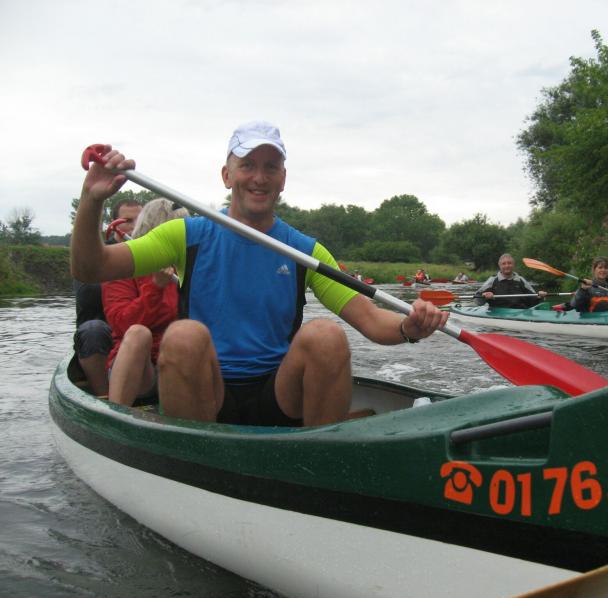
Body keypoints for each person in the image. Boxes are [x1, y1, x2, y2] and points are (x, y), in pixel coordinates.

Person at [71, 120, 448, 427]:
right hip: (208, 391)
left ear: (283, 178)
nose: (259, 177)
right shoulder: (184, 235)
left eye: (271, 167)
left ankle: (320, 457)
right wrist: (92, 199)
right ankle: (194, 456)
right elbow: (90, 267)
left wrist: (409, 327)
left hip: (278, 392)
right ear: (227, 175)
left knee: (326, 335)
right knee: (184, 335)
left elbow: (371, 320)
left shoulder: (303, 250)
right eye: (248, 165)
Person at [103, 199, 188, 406]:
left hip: (180, 365)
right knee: (138, 333)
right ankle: (116, 415)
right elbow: (122, 324)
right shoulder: (124, 268)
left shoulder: (192, 265)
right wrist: (155, 288)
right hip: (142, 371)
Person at [69, 198, 143, 395]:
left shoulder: (152, 251)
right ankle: (104, 397)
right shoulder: (97, 256)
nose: (135, 226)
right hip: (102, 334)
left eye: (140, 220)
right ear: (114, 223)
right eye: (128, 221)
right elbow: (88, 296)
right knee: (93, 330)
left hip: (140, 329)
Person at [474, 254, 547, 309]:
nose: (507, 266)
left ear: (513, 265)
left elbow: (532, 300)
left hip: (520, 313)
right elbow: (477, 300)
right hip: (499, 314)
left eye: (509, 263)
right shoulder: (492, 280)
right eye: (504, 264)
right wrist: (484, 296)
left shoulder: (521, 280)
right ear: (499, 266)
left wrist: (539, 297)